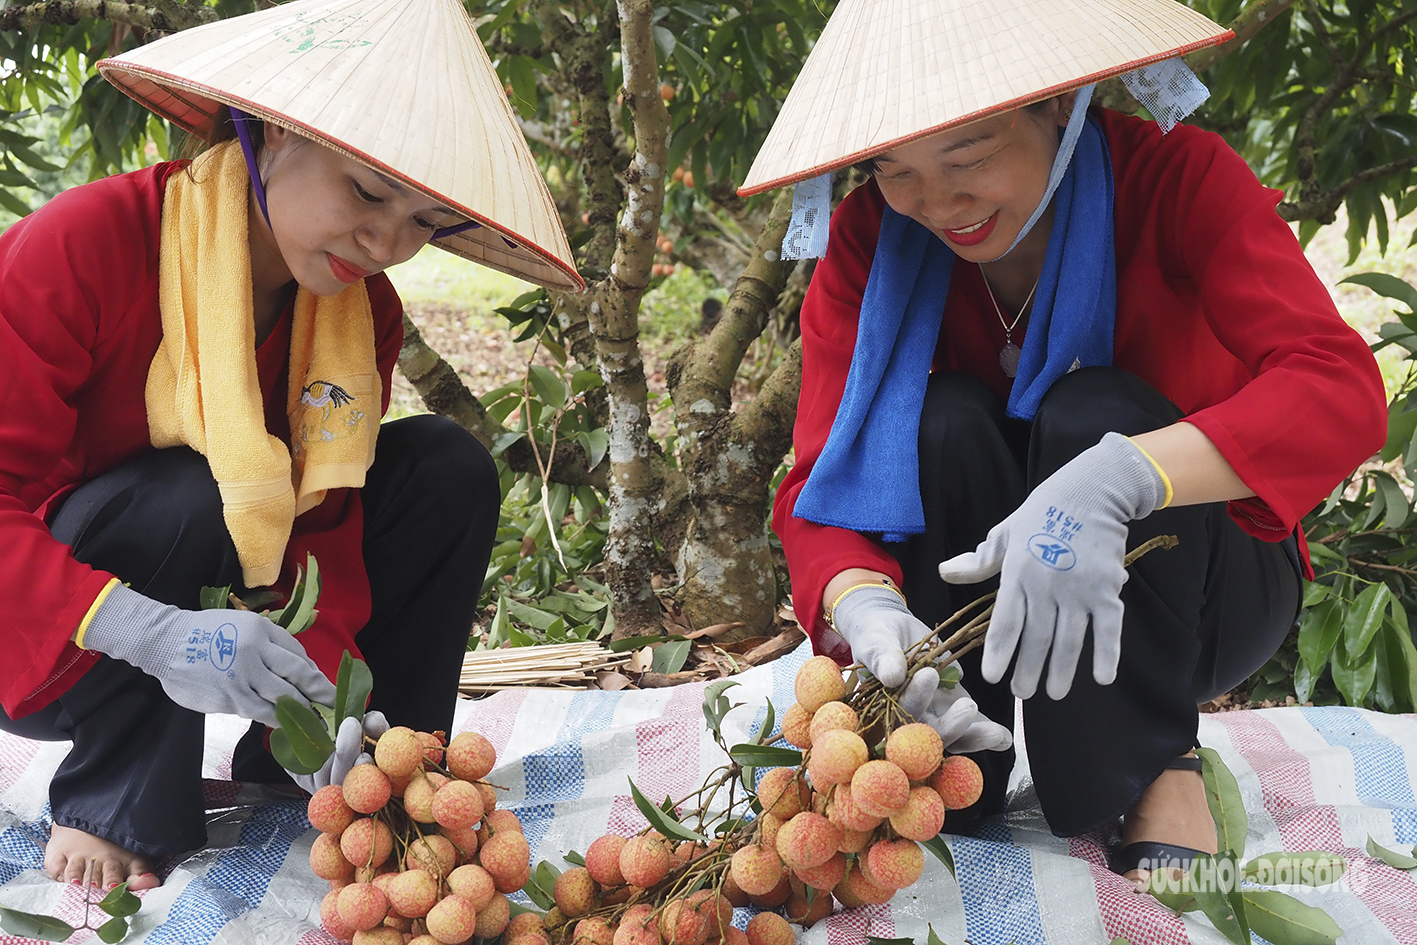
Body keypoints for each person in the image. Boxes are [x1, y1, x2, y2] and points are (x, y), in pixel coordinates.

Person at [740, 0, 1387, 883]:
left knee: (1097, 414)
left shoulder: (1176, 179)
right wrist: (865, 608)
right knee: (941, 420)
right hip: (981, 605)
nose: (939, 204)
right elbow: (822, 472)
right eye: (897, 171)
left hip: (1199, 585)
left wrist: (1130, 473)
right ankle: (959, 750)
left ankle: (1156, 758)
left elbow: (1337, 389)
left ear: (1058, 103)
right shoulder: (870, 241)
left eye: (967, 157)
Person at [0, 0, 580, 893]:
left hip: (221, 584)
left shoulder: (361, 311)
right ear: (271, 133)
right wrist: (146, 629)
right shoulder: (86, 242)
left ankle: (368, 767)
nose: (387, 242)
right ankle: (114, 797)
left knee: (443, 468)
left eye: (425, 220)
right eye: (368, 192)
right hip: (52, 630)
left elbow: (325, 513)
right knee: (188, 490)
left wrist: (329, 704)